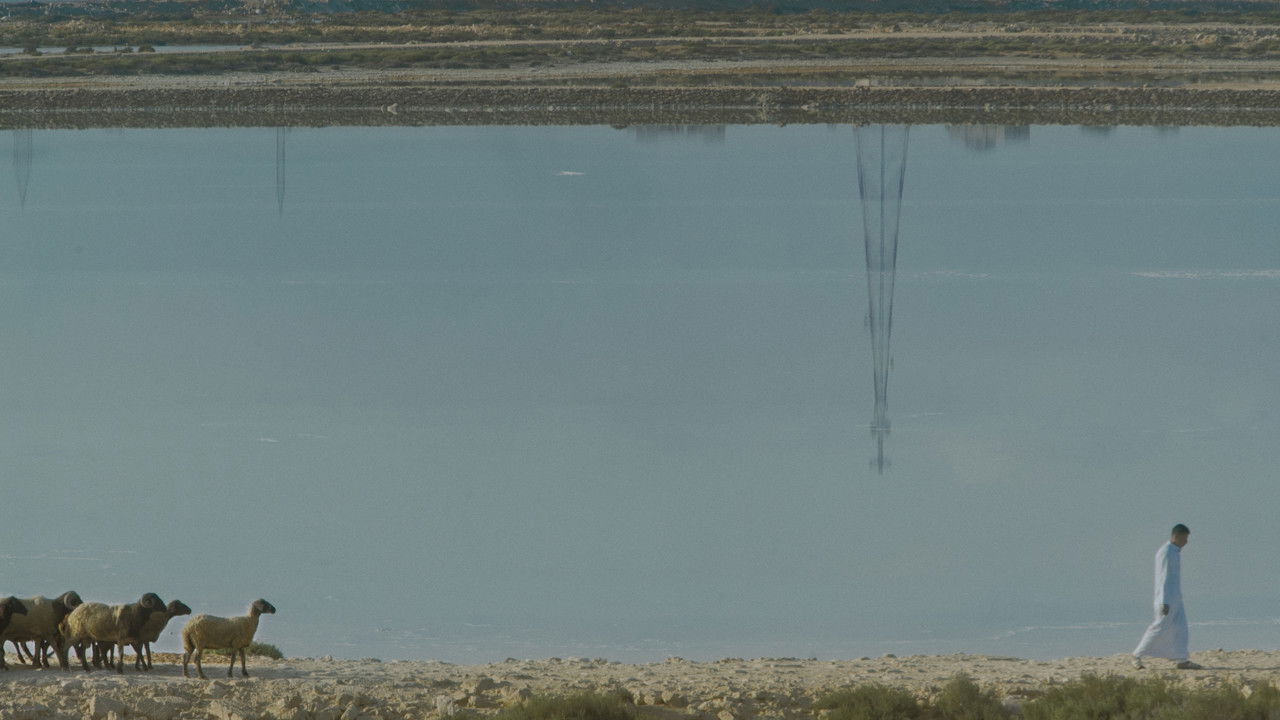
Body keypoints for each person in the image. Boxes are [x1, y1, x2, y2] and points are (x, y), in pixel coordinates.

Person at [1132, 524, 1200, 670]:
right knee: (1159, 626)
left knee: (1181, 628)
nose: (1186, 542)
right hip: (1166, 599)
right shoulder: (1166, 552)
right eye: (1185, 538)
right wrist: (1164, 601)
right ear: (1177, 536)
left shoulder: (1174, 552)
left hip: (1175, 597)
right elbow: (1163, 577)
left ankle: (1182, 659)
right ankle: (1137, 656)